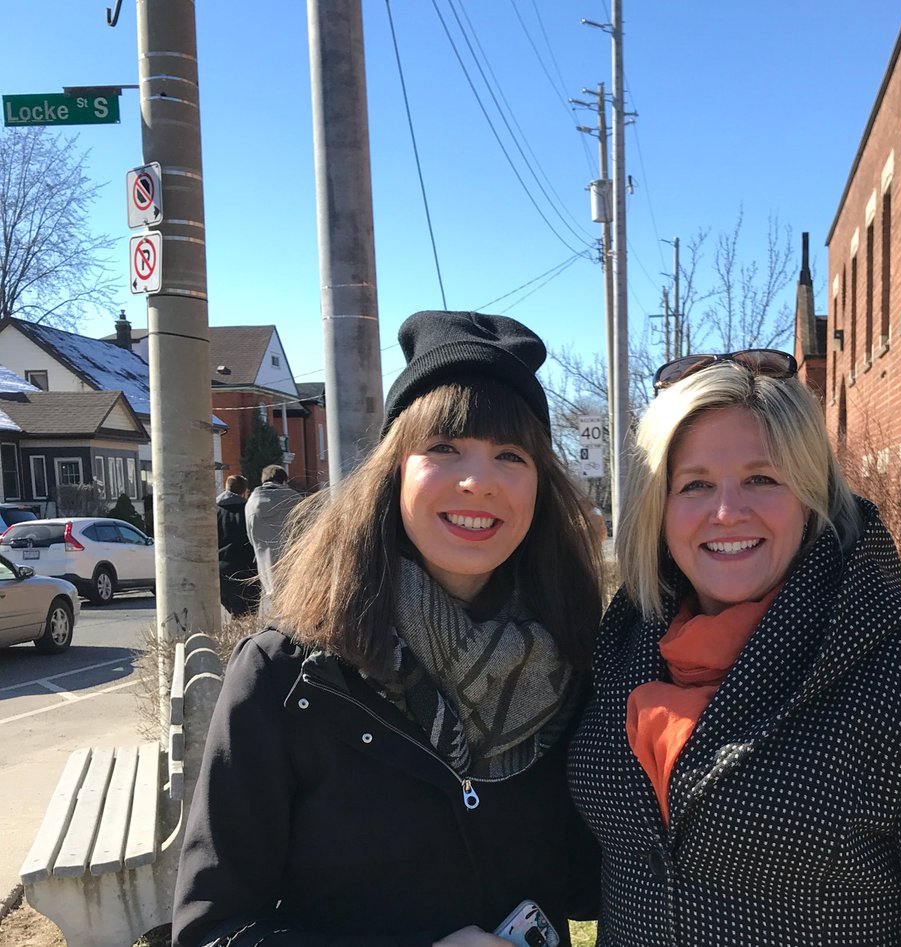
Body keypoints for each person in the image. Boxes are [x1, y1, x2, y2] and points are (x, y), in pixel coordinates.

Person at [567, 350, 901, 945]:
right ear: (658, 508)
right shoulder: (625, 642)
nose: (727, 512)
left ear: (811, 494)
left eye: (762, 479)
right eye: (695, 485)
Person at [174, 311, 603, 947]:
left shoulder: (575, 665)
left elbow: (594, 884)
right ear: (394, 470)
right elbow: (212, 929)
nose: (477, 481)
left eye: (510, 456)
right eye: (444, 449)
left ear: (540, 487)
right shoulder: (289, 677)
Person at [244, 463, 301, 611]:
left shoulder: (251, 503)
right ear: (284, 481)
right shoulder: (294, 499)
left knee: (273, 603)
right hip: (292, 561)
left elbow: (251, 536)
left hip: (264, 561)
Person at [215, 474, 258, 618]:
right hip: (245, 571)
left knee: (236, 613)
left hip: (220, 570)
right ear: (245, 491)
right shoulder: (248, 510)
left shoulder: (214, 511)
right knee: (248, 617)